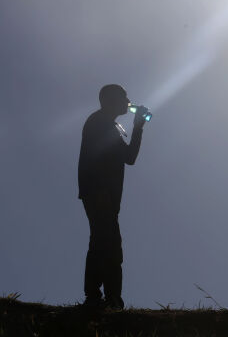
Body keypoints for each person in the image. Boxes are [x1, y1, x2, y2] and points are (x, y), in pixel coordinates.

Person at [77, 84, 147, 310]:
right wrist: (97, 191)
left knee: (104, 242)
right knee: (107, 243)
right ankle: (102, 299)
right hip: (99, 193)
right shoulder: (99, 122)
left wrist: (138, 128)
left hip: (104, 195)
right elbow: (99, 158)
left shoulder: (110, 125)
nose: (128, 100)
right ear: (110, 99)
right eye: (123, 96)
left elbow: (129, 157)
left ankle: (105, 299)